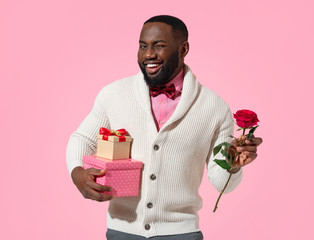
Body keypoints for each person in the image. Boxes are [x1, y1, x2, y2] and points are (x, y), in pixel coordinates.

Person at [66, 15, 263, 240]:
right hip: (122, 231)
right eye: (143, 46)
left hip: (182, 233)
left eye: (159, 46)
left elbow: (222, 183)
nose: (148, 54)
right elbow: (82, 138)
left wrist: (233, 166)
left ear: (183, 48)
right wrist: (77, 174)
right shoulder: (113, 94)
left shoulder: (215, 107)